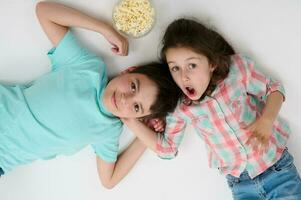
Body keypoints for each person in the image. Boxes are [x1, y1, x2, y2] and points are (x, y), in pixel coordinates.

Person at [0, 2, 180, 189]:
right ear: (129, 70)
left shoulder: (108, 130)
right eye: (133, 87)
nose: (125, 99)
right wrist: (104, 29)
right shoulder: (87, 68)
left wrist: (144, 135)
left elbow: (108, 180)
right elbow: (44, 11)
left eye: (136, 107)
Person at [122, 18, 301, 199]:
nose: (184, 77)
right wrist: (127, 118)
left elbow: (274, 89)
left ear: (212, 62)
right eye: (175, 68)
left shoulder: (237, 70)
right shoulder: (180, 108)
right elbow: (167, 149)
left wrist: (266, 120)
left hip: (277, 170)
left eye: (192, 65)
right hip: (241, 184)